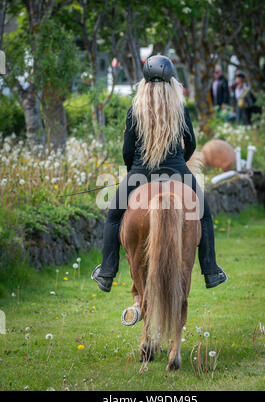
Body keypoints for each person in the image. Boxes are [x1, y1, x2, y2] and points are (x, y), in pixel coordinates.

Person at [91, 55, 228, 292]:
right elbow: (191, 143)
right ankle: (211, 271)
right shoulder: (179, 109)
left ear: (144, 82)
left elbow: (127, 149)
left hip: (140, 173)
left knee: (114, 216)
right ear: (171, 81)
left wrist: (133, 170)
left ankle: (106, 272)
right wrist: (179, 164)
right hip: (177, 171)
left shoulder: (135, 110)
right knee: (204, 214)